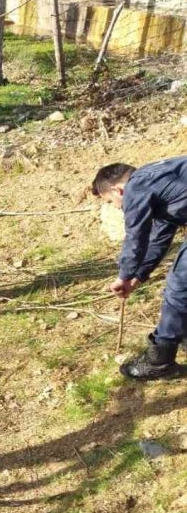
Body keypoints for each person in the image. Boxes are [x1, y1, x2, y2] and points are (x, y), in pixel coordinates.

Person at [92, 157, 187, 379]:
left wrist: (123, 276)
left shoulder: (136, 185)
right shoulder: (162, 183)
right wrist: (139, 276)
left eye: (109, 201)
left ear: (118, 190)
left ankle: (159, 362)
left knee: (178, 286)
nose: (115, 207)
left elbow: (136, 236)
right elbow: (159, 238)